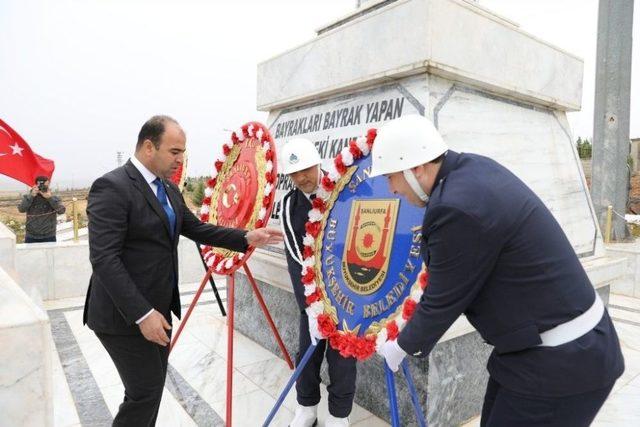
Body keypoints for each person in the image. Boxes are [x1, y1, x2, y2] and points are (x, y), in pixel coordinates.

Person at [373, 115, 624, 426]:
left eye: (391, 177)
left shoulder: (455, 206)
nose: (391, 189)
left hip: (563, 363)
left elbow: (443, 298)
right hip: (532, 349)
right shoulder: (469, 172)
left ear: (417, 169)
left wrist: (402, 345)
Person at [84, 115, 283, 426]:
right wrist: (142, 314)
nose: (180, 160)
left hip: (159, 310)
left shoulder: (168, 190)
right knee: (144, 391)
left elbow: (197, 228)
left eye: (183, 153)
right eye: (174, 152)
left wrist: (246, 237)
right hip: (123, 315)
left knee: (147, 390)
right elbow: (104, 259)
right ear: (149, 147)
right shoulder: (112, 187)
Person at [280, 138, 356, 427]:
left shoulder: (344, 190)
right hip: (311, 299)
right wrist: (310, 307)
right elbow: (296, 260)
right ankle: (306, 407)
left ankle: (339, 414)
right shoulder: (290, 206)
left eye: (306, 170)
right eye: (294, 174)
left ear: (319, 163)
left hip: (346, 295)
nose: (301, 178)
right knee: (307, 356)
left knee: (343, 357)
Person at [18, 175, 66, 243]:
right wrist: (31, 196)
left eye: (46, 186)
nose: (43, 188)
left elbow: (61, 211)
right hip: (31, 235)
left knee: (49, 253)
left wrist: (50, 198)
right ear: (36, 185)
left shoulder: (54, 198)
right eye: (41, 186)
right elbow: (21, 209)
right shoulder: (29, 197)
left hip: (49, 235)